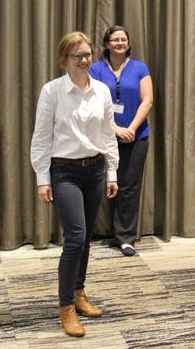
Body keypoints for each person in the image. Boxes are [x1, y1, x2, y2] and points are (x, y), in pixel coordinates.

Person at [30, 31, 119, 337]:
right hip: (64, 171)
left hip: (94, 170)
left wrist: (112, 173)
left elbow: (108, 135)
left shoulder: (103, 91)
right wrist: (42, 178)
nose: (84, 60)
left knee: (86, 238)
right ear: (63, 59)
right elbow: (41, 138)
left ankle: (79, 293)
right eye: (77, 56)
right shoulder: (52, 91)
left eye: (87, 55)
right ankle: (66, 305)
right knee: (76, 238)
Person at [89, 25, 153, 256]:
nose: (119, 43)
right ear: (107, 44)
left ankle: (125, 238)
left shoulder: (139, 68)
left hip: (137, 136)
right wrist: (116, 129)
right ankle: (86, 233)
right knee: (97, 183)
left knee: (128, 187)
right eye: (115, 40)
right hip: (103, 135)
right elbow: (93, 103)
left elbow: (147, 100)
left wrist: (131, 128)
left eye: (123, 39)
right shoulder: (95, 69)